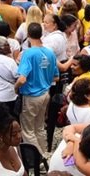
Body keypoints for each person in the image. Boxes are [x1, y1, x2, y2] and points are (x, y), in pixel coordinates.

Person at [15, 21, 58, 159]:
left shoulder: (28, 54)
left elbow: (22, 79)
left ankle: (38, 158)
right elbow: (56, 77)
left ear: (28, 35)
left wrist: (16, 88)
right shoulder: (50, 53)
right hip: (45, 93)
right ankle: (44, 153)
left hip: (31, 96)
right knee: (39, 127)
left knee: (28, 130)